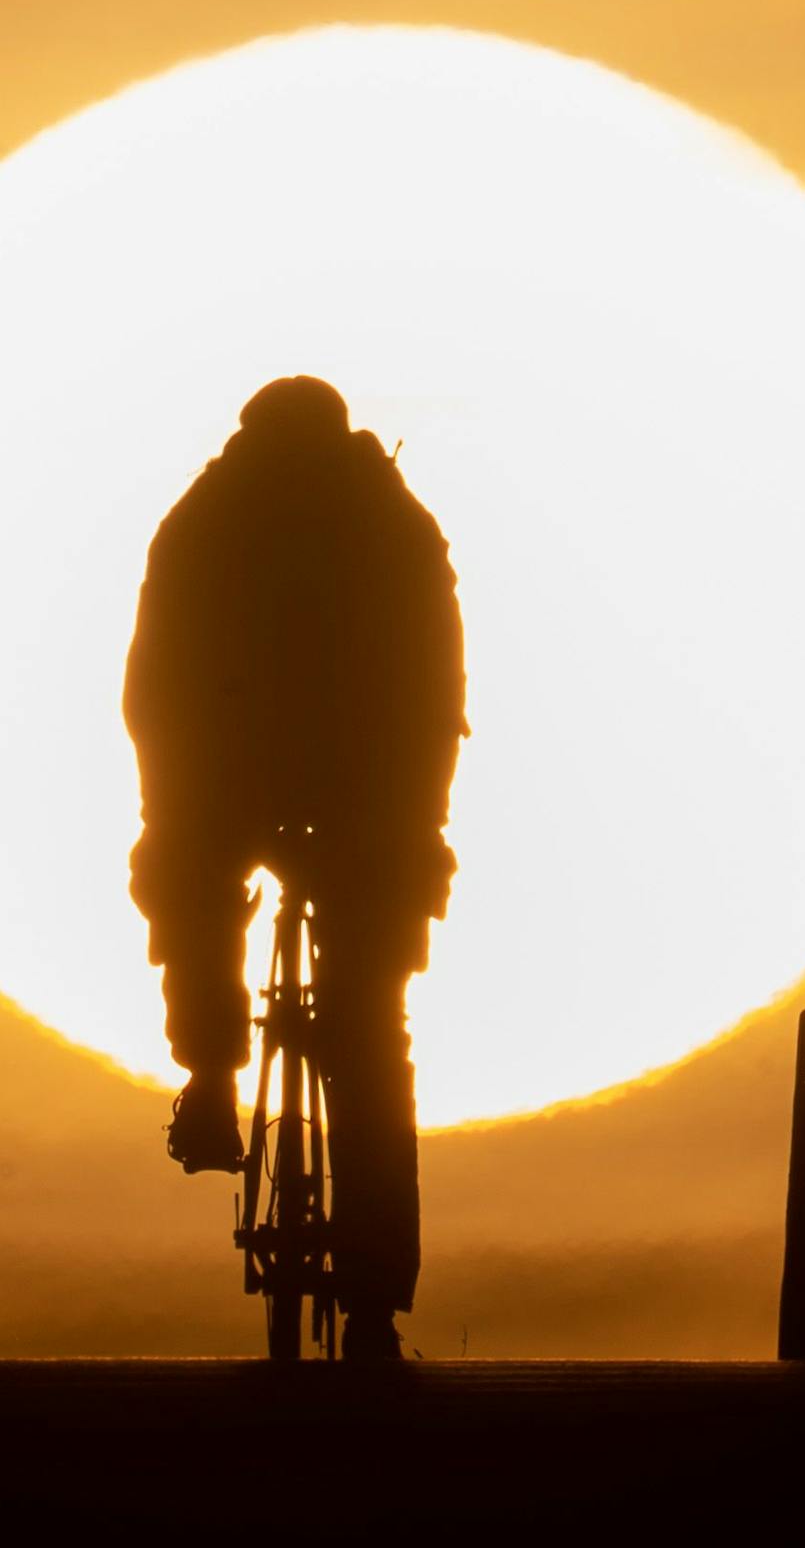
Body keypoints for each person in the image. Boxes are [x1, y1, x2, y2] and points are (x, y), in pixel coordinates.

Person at [123, 376, 468, 1361]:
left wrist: (171, 802)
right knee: (369, 1026)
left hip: (244, 780)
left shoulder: (200, 520)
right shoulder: (394, 522)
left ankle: (209, 1074)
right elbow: (437, 678)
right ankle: (372, 1302)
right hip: (367, 795)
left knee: (190, 881)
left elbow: (153, 685)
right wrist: (420, 815)